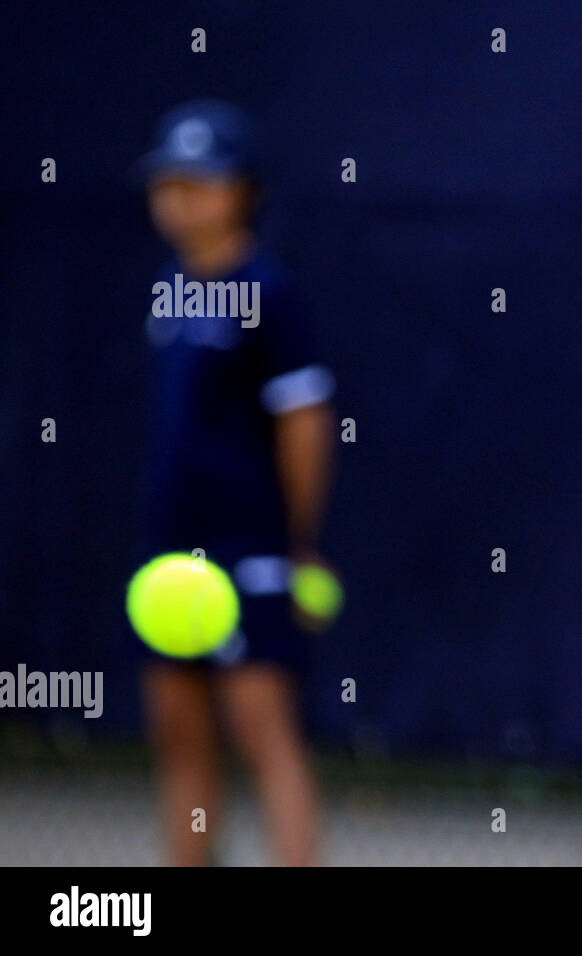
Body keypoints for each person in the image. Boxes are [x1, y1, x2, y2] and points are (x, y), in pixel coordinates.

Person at [132, 99, 336, 865]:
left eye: (201, 180)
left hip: (247, 549)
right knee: (179, 736)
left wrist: (296, 544)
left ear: (242, 190)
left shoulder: (268, 293)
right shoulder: (167, 287)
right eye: (168, 182)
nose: (181, 197)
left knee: (264, 733)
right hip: (164, 554)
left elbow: (306, 420)